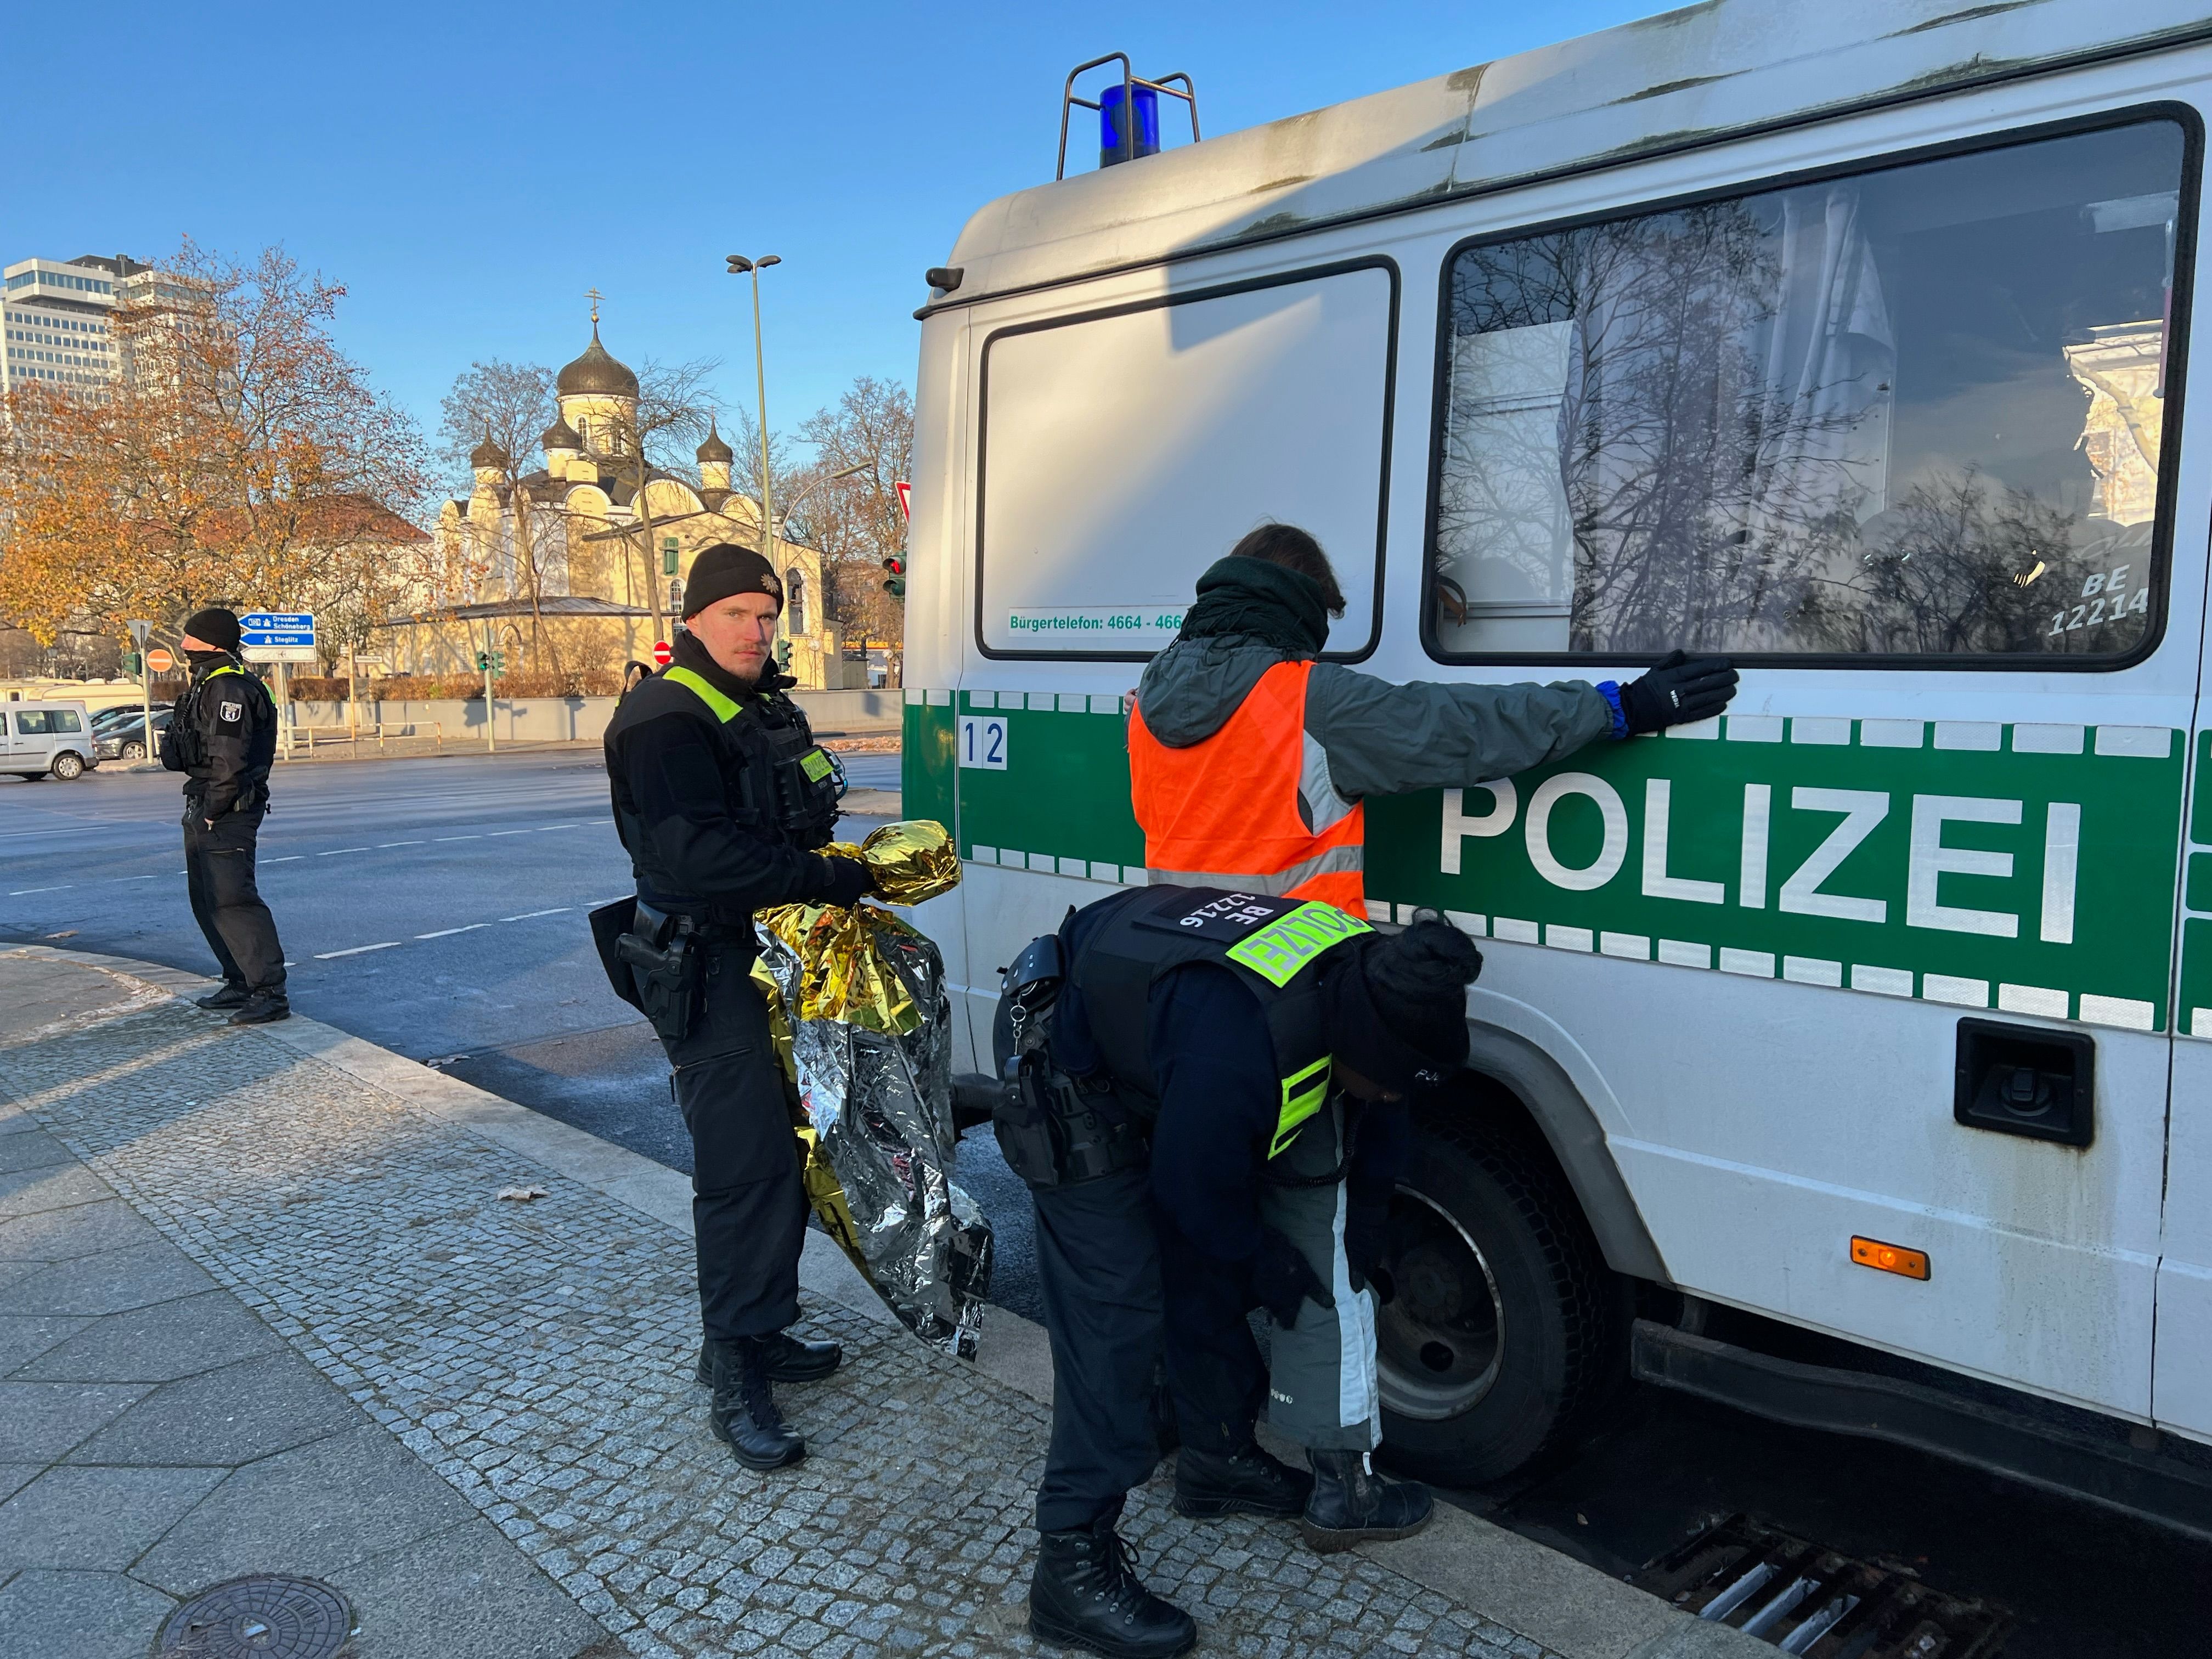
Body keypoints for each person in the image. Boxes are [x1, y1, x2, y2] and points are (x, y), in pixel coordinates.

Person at [1002, 888, 1482, 1659]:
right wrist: (1268, 1263)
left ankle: (1217, 1458)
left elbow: (1384, 1120)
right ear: (1355, 1049)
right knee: (1116, 1317)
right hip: (1074, 1076)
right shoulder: (1240, 1045)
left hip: (1163, 1053)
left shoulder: (1371, 984)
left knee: (1207, 1272)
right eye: (1386, 1080)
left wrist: (1366, 1232)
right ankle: (1070, 1566)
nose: (1391, 1096)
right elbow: (1190, 1191)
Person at [597, 544, 875, 1472]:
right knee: (742, 1167)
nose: (757, 631)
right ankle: (731, 1368)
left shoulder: (756, 702)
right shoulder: (664, 716)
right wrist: (828, 876)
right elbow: (696, 861)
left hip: (779, 958)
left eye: (767, 613)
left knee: (790, 1153)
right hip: (712, 966)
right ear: (694, 618)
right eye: (738, 615)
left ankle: (762, 1327)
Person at [1129, 523, 1740, 911]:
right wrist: (1620, 706)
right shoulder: (1308, 698)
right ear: (1299, 609)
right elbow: (1461, 725)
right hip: (1293, 978)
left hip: (1183, 963)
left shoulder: (1146, 703)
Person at [160, 607, 289, 1026]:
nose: (183, 645)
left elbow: (228, 761)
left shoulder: (230, 689)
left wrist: (214, 811)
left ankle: (269, 992)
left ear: (212, 642)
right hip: (204, 804)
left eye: (190, 638)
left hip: (226, 810)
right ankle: (240, 980)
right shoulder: (209, 684)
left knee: (234, 900)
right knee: (208, 900)